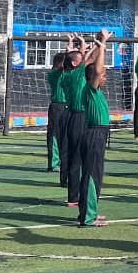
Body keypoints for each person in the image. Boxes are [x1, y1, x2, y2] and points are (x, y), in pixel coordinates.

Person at [76, 30, 115, 228]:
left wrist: (100, 45)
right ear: (94, 78)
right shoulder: (90, 89)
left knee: (95, 175)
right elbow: (97, 71)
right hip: (94, 134)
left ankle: (89, 210)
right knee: (91, 175)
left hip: (98, 134)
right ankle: (88, 217)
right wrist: (103, 46)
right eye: (103, 75)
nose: (105, 77)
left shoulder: (95, 90)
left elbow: (95, 69)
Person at [61, 38, 92, 207]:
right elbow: (87, 60)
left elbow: (84, 59)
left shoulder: (66, 74)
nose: (84, 56)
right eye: (80, 57)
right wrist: (90, 45)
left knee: (74, 157)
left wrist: (77, 47)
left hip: (73, 116)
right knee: (79, 158)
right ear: (74, 64)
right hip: (79, 117)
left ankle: (73, 196)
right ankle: (78, 196)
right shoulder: (76, 74)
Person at [46, 52, 67, 173]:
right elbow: (62, 69)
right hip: (57, 106)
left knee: (66, 135)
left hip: (68, 106)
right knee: (54, 135)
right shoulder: (54, 74)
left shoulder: (67, 74)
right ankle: (54, 163)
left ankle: (64, 161)